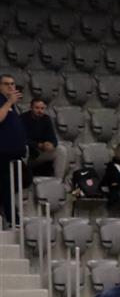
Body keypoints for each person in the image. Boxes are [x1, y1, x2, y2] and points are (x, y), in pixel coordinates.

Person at [0, 74, 26, 228]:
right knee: (6, 186)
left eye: (12, 84)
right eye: (6, 84)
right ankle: (12, 219)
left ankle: (12, 218)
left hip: (13, 154)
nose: (10, 86)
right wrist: (9, 102)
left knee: (13, 183)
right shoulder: (4, 101)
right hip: (2, 153)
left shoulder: (12, 104)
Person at [21, 97, 68, 180]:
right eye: (37, 108)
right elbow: (22, 139)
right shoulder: (22, 118)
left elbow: (53, 137)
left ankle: (58, 180)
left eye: (42, 108)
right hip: (28, 153)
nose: (40, 111)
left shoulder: (46, 119)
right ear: (31, 108)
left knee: (61, 150)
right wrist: (39, 145)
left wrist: (52, 144)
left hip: (41, 152)